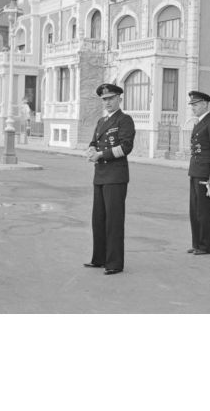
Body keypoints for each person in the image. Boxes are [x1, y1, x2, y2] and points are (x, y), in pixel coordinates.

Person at [84, 83, 136, 275]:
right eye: (104, 99)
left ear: (119, 99)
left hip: (115, 176)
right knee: (98, 219)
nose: (107, 102)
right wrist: (90, 150)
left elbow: (125, 147)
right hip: (100, 176)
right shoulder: (101, 122)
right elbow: (93, 142)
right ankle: (99, 258)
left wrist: (100, 155)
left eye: (111, 99)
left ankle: (114, 263)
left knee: (113, 221)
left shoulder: (125, 120)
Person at [187, 90, 210, 255]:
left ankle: (207, 245)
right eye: (192, 105)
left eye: (195, 105)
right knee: (195, 210)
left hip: (206, 175)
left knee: (205, 210)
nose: (192, 108)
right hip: (196, 172)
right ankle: (197, 243)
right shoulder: (199, 123)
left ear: (204, 104)